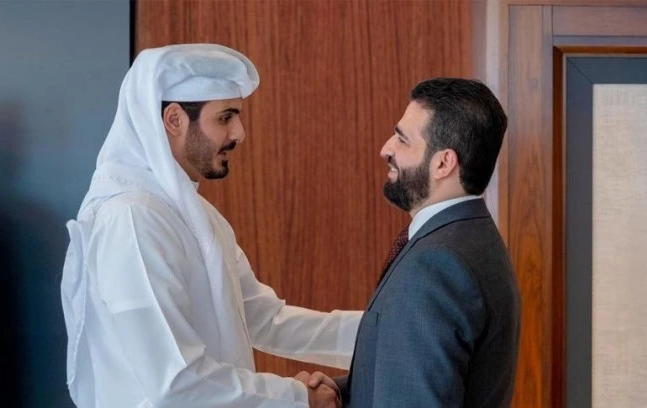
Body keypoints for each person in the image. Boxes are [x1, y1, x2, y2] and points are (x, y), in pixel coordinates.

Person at [60, 44, 361, 408]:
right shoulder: (132, 219)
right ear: (174, 120)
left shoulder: (194, 215)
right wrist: (297, 398)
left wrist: (385, 331)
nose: (239, 133)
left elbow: (266, 320)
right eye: (225, 118)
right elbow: (175, 381)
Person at [320, 78, 521, 407]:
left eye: (402, 139)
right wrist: (339, 393)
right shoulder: (474, 238)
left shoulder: (436, 265)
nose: (386, 149)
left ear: (443, 163)